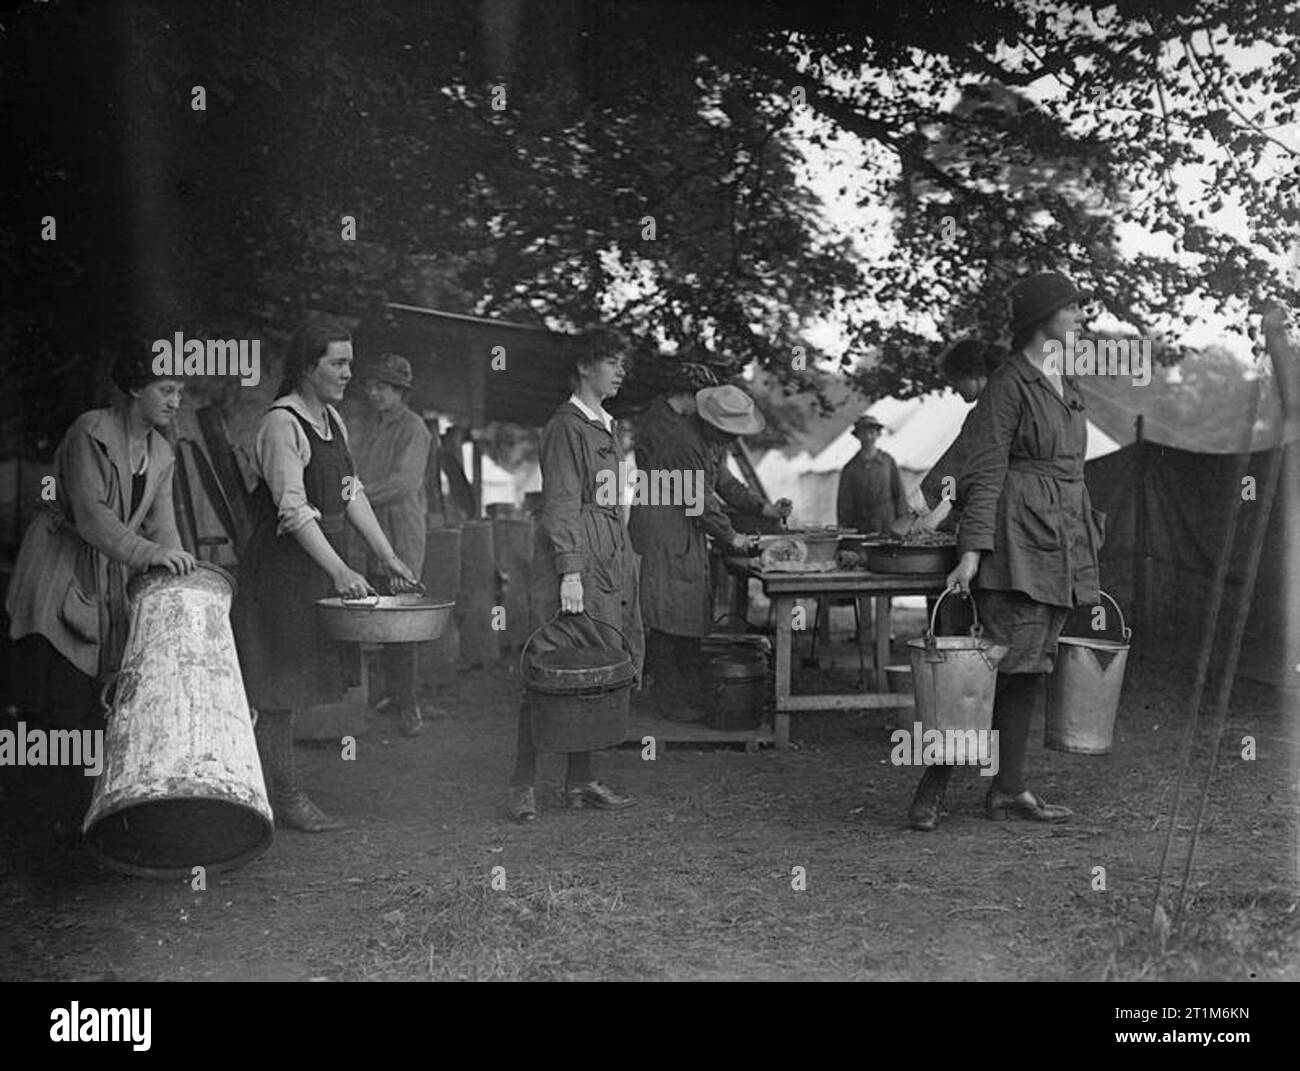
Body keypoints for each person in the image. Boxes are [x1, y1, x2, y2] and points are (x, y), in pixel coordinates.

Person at [908, 271, 1105, 831]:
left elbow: (1070, 470)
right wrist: (972, 551)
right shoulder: (1010, 384)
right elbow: (986, 468)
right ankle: (933, 787)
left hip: (1059, 539)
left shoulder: (1064, 382)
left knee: (1028, 668)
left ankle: (1009, 789)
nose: (1082, 320)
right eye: (1074, 310)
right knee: (983, 669)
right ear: (1045, 319)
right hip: (1016, 540)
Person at [232, 318, 421, 833]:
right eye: (337, 363)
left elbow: (350, 492)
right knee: (278, 688)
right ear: (307, 366)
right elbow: (293, 511)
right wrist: (339, 569)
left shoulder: (332, 420)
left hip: (319, 565)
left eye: (349, 363)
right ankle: (284, 797)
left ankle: (275, 788)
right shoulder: (281, 424)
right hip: (282, 570)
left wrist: (387, 557)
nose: (347, 373)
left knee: (297, 681)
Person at [5, 347, 196, 839]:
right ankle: (47, 826)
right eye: (166, 390)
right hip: (59, 568)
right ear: (135, 387)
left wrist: (178, 573)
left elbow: (164, 525)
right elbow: (91, 517)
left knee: (96, 701)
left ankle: (79, 821)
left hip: (107, 573)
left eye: (180, 391)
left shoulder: (162, 452)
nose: (176, 401)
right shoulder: (90, 432)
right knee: (61, 703)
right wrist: (148, 554)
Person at [507, 328, 645, 822]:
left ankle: (580, 781)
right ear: (585, 367)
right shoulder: (566, 426)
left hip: (605, 554)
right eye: (612, 362)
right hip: (576, 555)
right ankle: (523, 784)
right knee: (549, 665)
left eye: (621, 363)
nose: (620, 370)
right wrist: (570, 571)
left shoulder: (604, 425)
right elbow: (560, 503)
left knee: (595, 666)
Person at [630, 375, 786, 722]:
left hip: (682, 531)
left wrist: (764, 508)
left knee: (686, 616)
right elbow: (700, 502)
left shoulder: (710, 442)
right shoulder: (684, 442)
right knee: (668, 617)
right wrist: (733, 538)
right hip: (663, 533)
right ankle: (669, 703)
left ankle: (687, 695)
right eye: (732, 431)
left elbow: (726, 484)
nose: (735, 438)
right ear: (713, 422)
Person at [351, 353, 433, 737]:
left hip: (401, 536)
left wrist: (357, 499)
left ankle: (410, 706)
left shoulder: (414, 429)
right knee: (379, 616)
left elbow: (403, 483)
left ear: (401, 392)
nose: (374, 393)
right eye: (370, 387)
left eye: (383, 387)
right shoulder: (372, 428)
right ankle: (391, 694)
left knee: (402, 623)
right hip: (372, 534)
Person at [836, 414, 908, 534]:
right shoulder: (850, 468)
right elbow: (844, 505)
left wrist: (902, 524)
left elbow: (900, 495)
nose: (868, 437)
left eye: (871, 432)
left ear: (878, 434)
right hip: (860, 528)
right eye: (863, 433)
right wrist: (845, 531)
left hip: (887, 525)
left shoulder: (887, 462)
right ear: (857, 436)